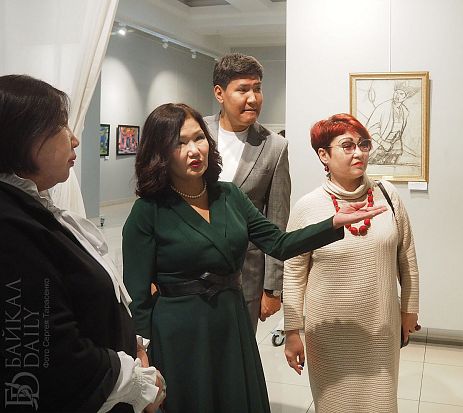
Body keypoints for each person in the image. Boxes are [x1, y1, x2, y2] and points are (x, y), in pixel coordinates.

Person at [122, 104, 386, 412]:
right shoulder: (148, 211)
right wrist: (142, 352)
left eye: (199, 138)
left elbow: (279, 243)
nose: (194, 150)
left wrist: (333, 223)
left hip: (231, 319)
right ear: (160, 153)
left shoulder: (229, 195)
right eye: (179, 143)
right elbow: (137, 296)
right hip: (180, 331)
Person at [0, 74, 165, 413]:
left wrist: (133, 345)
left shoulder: (33, 210)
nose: (74, 139)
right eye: (62, 127)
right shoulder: (12, 227)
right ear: (26, 137)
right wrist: (138, 383)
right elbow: (49, 351)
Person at [283, 113, 420, 412]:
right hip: (330, 333)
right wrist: (292, 331)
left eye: (363, 144)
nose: (359, 153)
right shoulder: (308, 207)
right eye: (347, 146)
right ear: (324, 155)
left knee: (381, 403)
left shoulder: (387, 196)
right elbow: (293, 272)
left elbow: (406, 256)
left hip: (380, 327)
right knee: (335, 404)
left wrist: (409, 309)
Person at [205, 52, 290, 332]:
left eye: (257, 89)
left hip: (246, 276)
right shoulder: (195, 132)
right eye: (243, 90)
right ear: (220, 93)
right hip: (190, 271)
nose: (252, 98)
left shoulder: (274, 146)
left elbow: (277, 220)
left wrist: (273, 288)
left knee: (239, 350)